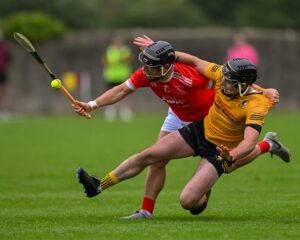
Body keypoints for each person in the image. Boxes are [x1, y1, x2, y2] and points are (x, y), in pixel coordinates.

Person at [73, 39, 290, 219]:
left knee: (190, 202)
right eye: (224, 79)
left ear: (243, 85)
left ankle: (269, 144)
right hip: (199, 129)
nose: (222, 85)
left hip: (222, 147)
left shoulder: (257, 105)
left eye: (229, 83)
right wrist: (161, 50)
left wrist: (229, 155)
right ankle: (100, 185)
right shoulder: (221, 75)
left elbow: (249, 140)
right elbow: (195, 60)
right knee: (150, 155)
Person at [102, 36, 133, 121]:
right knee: (110, 93)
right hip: (111, 76)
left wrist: (121, 57)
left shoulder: (126, 50)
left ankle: (125, 111)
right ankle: (110, 111)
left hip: (123, 75)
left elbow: (128, 60)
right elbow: (106, 61)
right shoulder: (110, 50)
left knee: (125, 94)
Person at [0, 29, 12, 114]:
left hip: (2, 72)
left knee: (3, 91)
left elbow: (9, 58)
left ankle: (6, 110)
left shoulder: (5, 48)